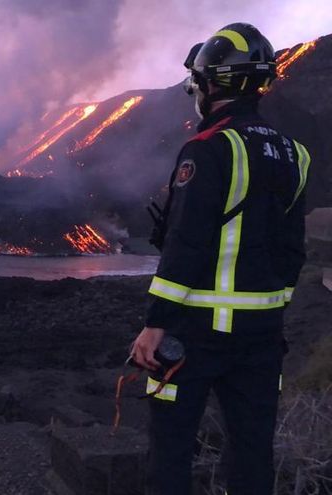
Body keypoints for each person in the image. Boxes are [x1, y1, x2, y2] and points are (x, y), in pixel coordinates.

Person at [130, 23, 311, 495]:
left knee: (170, 450)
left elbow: (186, 243)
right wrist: (272, 307)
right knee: (252, 454)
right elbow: (294, 249)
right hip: (263, 339)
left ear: (213, 83)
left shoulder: (210, 149)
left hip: (195, 335)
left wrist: (156, 323)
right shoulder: (296, 155)